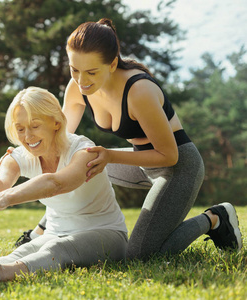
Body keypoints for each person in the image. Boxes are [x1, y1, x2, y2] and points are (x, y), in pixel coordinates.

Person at [17, 18, 242, 258]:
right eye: (75, 70)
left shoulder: (139, 91)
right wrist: (20, 154)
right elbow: (60, 140)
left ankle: (215, 218)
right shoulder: (77, 89)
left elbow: (169, 155)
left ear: (112, 64)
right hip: (141, 163)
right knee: (81, 160)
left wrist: (109, 155)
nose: (81, 81)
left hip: (179, 167)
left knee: (139, 255)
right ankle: (42, 230)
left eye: (91, 72)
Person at [0, 87, 128, 290]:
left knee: (57, 249)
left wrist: (2, 200)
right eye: (20, 129)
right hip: (56, 232)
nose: (28, 136)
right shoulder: (20, 155)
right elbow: (1, 181)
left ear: (56, 122)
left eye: (35, 126)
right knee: (23, 251)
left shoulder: (84, 151)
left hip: (107, 234)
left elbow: (55, 183)